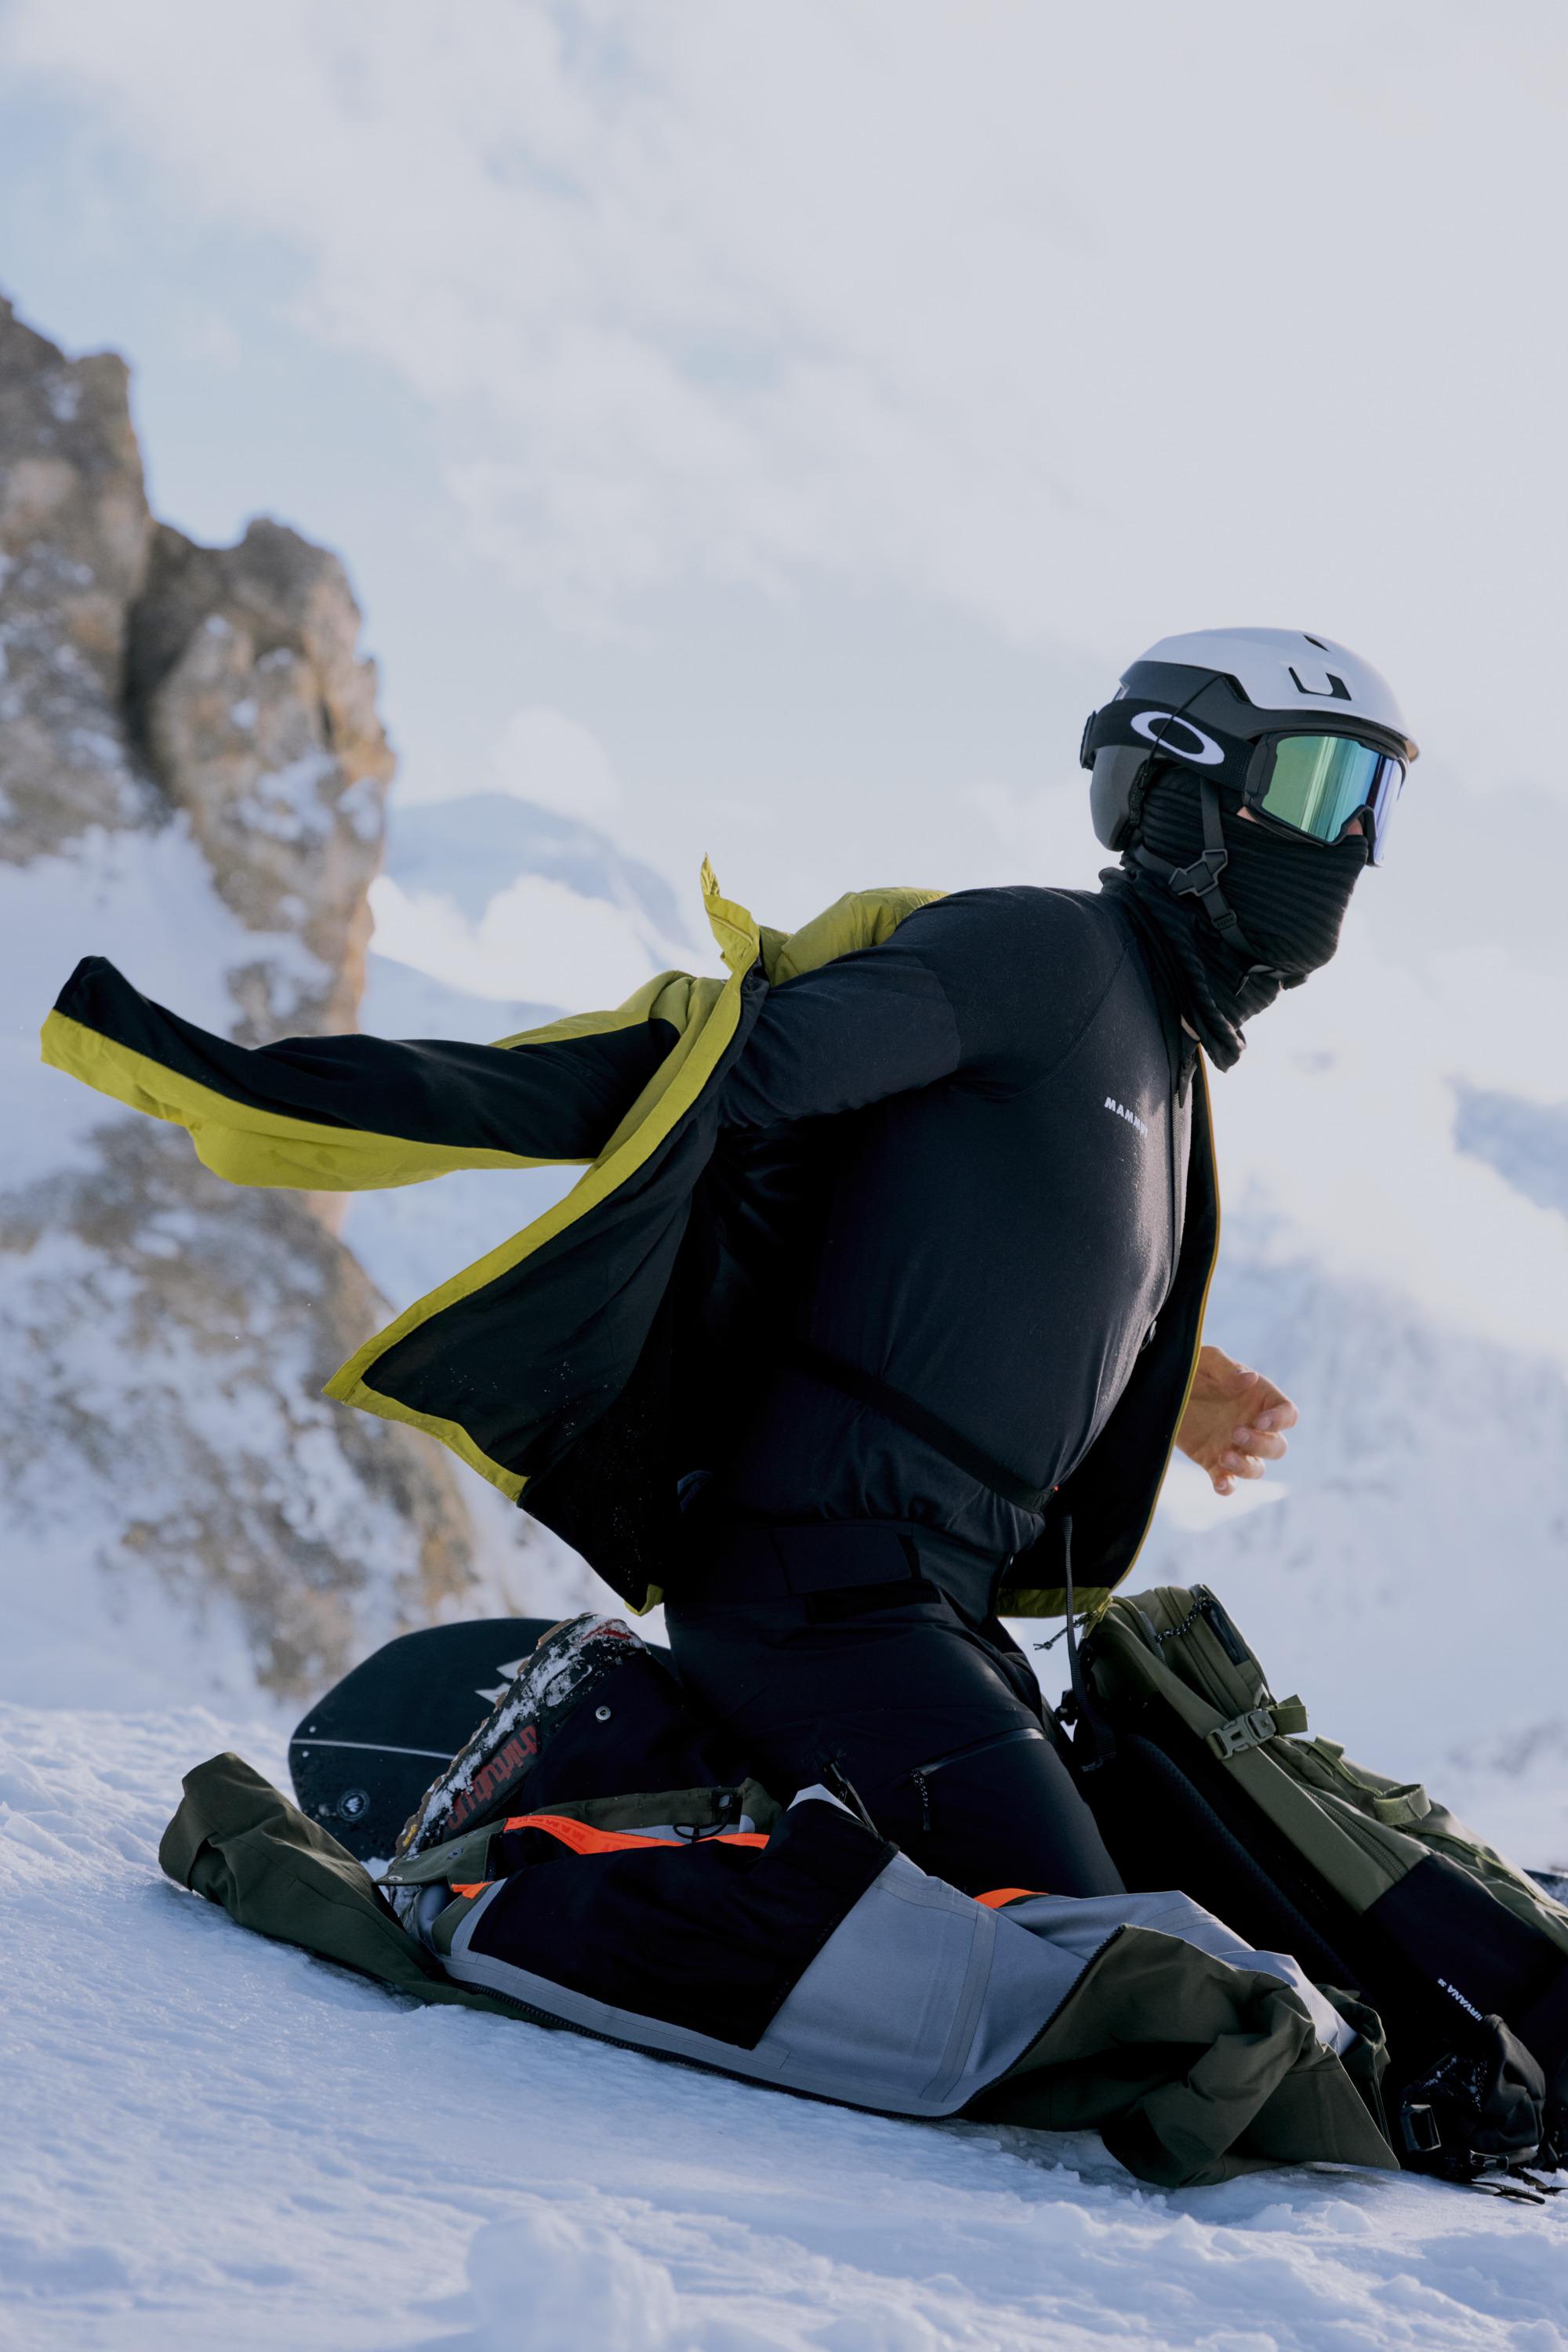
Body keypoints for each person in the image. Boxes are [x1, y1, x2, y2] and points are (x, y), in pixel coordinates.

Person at [43, 626, 1417, 1904]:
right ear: (1176, 788)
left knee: (1209, 1917)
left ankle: (711, 1798)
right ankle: (588, 1831)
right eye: (1316, 783)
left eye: (1378, 801)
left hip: (930, 1611)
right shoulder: (1044, 956)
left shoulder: (1165, 1067)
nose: (1350, 839)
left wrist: (1169, 1389)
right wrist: (268, 1094)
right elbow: (708, 1078)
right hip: (813, 1590)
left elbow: (972, 1260)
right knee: (1102, 1968)